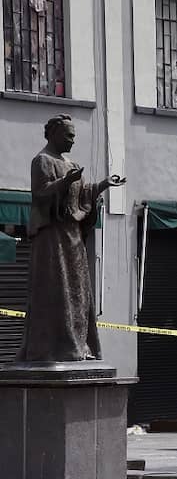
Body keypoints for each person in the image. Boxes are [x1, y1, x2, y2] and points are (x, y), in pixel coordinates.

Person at [18, 114, 126, 362]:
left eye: (74, 136)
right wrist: (65, 181)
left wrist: (101, 185)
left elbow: (81, 197)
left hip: (72, 236)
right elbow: (40, 194)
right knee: (56, 289)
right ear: (54, 134)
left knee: (78, 291)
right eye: (68, 136)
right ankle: (52, 348)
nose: (72, 141)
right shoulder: (42, 161)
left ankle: (79, 345)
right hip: (52, 236)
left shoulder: (71, 163)